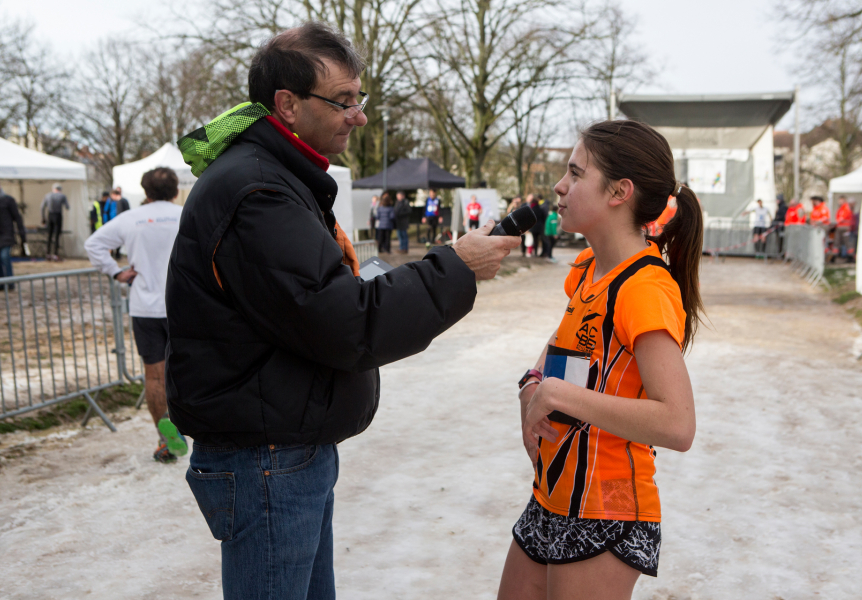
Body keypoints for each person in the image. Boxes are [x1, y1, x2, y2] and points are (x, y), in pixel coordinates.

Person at [167, 23, 519, 600]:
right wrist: (453, 267)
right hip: (267, 458)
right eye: (344, 101)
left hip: (282, 447)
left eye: (361, 99)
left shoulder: (275, 178)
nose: (358, 115)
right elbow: (347, 322)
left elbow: (325, 300)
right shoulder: (261, 193)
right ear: (287, 105)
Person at [497, 120, 700, 600]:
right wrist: (531, 386)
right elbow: (555, 352)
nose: (559, 186)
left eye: (575, 173)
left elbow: (678, 424)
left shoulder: (644, 288)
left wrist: (562, 394)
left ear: (619, 192)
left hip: (609, 508)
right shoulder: (589, 269)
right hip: (552, 495)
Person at [84, 168, 186, 463]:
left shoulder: (131, 218)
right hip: (185, 305)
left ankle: (166, 440)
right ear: (176, 191)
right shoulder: (187, 214)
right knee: (197, 368)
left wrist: (116, 272)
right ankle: (208, 433)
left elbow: (93, 244)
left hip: (145, 307)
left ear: (145, 192)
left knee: (155, 376)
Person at [0, 180, 27, 289]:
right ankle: (1, 282)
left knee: (4, 256)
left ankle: (10, 281)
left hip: (6, 234)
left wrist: (21, 233)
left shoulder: (8, 200)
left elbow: (17, 217)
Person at [40, 183, 68, 261]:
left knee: (49, 235)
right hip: (58, 215)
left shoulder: (47, 195)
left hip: (50, 215)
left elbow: (42, 207)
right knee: (57, 236)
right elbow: (67, 206)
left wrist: (43, 218)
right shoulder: (62, 196)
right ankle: (55, 254)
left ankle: (48, 253)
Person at [834, 195, 853, 260]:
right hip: (840, 227)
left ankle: (850, 257)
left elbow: (842, 218)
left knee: (847, 242)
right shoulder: (841, 208)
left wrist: (839, 221)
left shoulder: (846, 208)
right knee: (837, 241)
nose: (839, 202)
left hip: (845, 227)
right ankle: (836, 255)